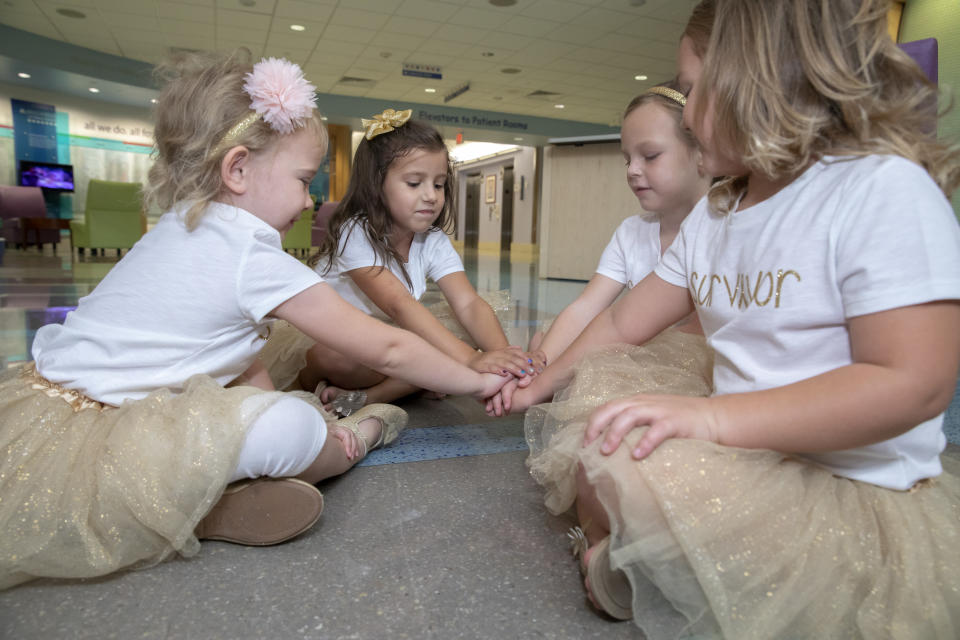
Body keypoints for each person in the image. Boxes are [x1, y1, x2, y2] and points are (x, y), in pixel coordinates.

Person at [504, 0, 960, 636]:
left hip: (851, 481)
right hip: (745, 454)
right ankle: (625, 560)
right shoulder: (717, 211)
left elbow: (913, 381)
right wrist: (542, 379)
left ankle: (648, 569)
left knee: (645, 487)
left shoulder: (878, 188)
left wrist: (713, 417)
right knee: (600, 453)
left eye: (692, 90)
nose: (686, 113)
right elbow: (621, 324)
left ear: (761, 79)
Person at [0, 51, 509, 590]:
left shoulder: (177, 226)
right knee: (298, 428)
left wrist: (270, 400)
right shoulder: (251, 254)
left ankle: (203, 500)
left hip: (54, 417)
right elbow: (389, 348)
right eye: (303, 180)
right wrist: (479, 378)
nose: (311, 199)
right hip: (130, 431)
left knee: (269, 411)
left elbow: (239, 357)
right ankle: (350, 441)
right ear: (238, 169)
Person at [271, 110, 541, 412]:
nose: (431, 196)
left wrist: (504, 359)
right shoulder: (356, 232)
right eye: (414, 183)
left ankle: (377, 395)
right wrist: (472, 359)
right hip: (343, 341)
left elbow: (468, 303)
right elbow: (398, 304)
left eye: (438, 185)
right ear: (377, 185)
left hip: (394, 343)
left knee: (454, 338)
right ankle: (425, 380)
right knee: (340, 357)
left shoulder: (433, 240)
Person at [486, 80, 711, 417]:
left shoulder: (721, 228)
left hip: (696, 372)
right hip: (635, 351)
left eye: (650, 156)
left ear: (702, 152)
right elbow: (587, 307)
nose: (633, 170)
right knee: (553, 347)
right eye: (627, 160)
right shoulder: (632, 233)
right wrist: (538, 367)